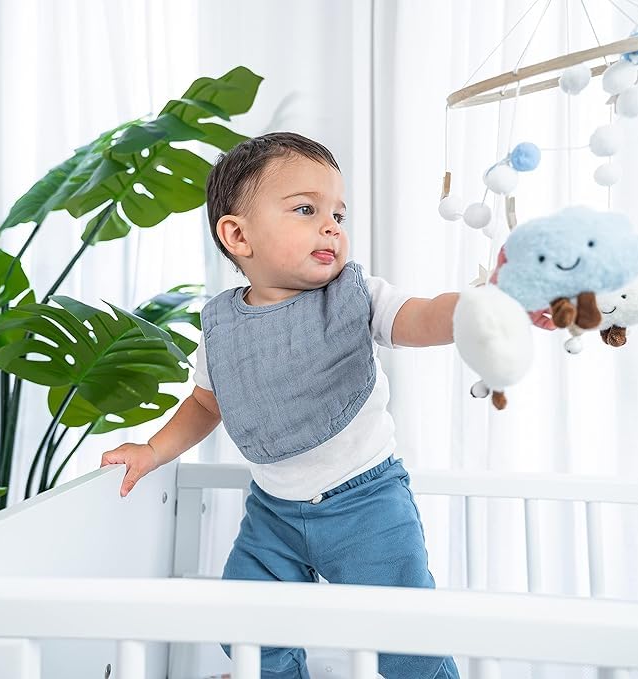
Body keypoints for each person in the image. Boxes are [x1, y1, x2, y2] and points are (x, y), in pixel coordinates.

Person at [101, 131, 465, 679]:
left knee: (406, 642)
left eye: (338, 215)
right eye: (306, 209)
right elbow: (205, 404)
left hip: (366, 505)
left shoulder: (354, 296)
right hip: (272, 512)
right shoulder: (222, 327)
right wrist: (153, 450)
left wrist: (471, 314)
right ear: (237, 235)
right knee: (249, 632)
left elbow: (419, 317)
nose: (331, 227)